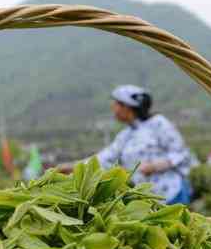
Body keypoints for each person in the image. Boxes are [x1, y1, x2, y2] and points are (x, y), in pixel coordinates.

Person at [61, 85, 193, 204]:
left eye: (116, 104)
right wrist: (73, 167)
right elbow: (104, 158)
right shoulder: (125, 135)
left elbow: (181, 153)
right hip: (148, 199)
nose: (113, 107)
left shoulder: (158, 123)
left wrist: (154, 166)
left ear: (127, 106)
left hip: (172, 194)